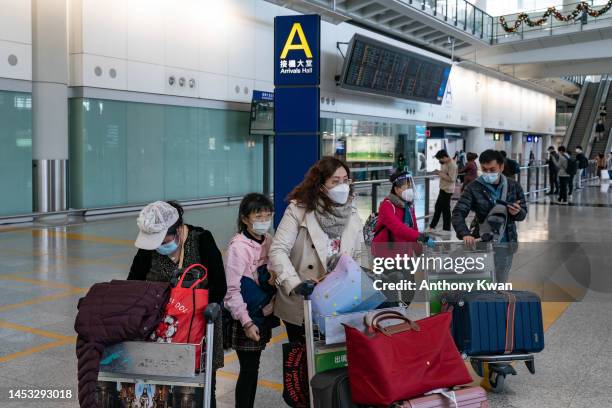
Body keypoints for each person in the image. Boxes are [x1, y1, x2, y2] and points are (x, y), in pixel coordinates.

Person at [128, 200, 227, 408]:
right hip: (160, 332)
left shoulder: (202, 240)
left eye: (163, 240)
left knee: (202, 390)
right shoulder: (149, 248)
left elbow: (219, 286)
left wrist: (199, 309)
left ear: (179, 230)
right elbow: (133, 284)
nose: (158, 246)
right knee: (161, 391)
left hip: (200, 330)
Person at [269, 157, 364, 343]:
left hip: (340, 300)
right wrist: (295, 283)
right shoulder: (298, 210)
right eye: (335, 181)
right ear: (321, 185)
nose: (342, 186)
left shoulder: (351, 213)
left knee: (334, 364)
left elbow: (360, 254)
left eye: (346, 180)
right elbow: (278, 249)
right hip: (304, 300)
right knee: (303, 362)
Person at [224, 193, 276, 408]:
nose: (264, 221)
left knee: (253, 367)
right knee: (248, 369)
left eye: (267, 216)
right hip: (245, 317)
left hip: (262, 312)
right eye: (258, 216)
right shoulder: (238, 248)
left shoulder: (269, 240)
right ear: (245, 219)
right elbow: (232, 291)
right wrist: (246, 322)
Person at [452, 149, 527, 282]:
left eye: (492, 170)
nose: (488, 173)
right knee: (481, 283)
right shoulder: (473, 187)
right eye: (484, 169)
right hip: (482, 242)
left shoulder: (513, 186)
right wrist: (464, 233)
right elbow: (458, 212)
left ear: (501, 167)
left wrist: (517, 212)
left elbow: (523, 213)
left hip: (505, 243)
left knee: (500, 283)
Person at [428, 149, 457, 233]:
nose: (440, 161)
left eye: (440, 159)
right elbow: (444, 173)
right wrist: (439, 172)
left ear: (444, 157)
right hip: (443, 188)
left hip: (447, 190)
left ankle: (446, 229)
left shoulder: (452, 165)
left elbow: (452, 179)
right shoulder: (445, 163)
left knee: (445, 210)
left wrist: (440, 174)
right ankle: (432, 227)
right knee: (438, 208)